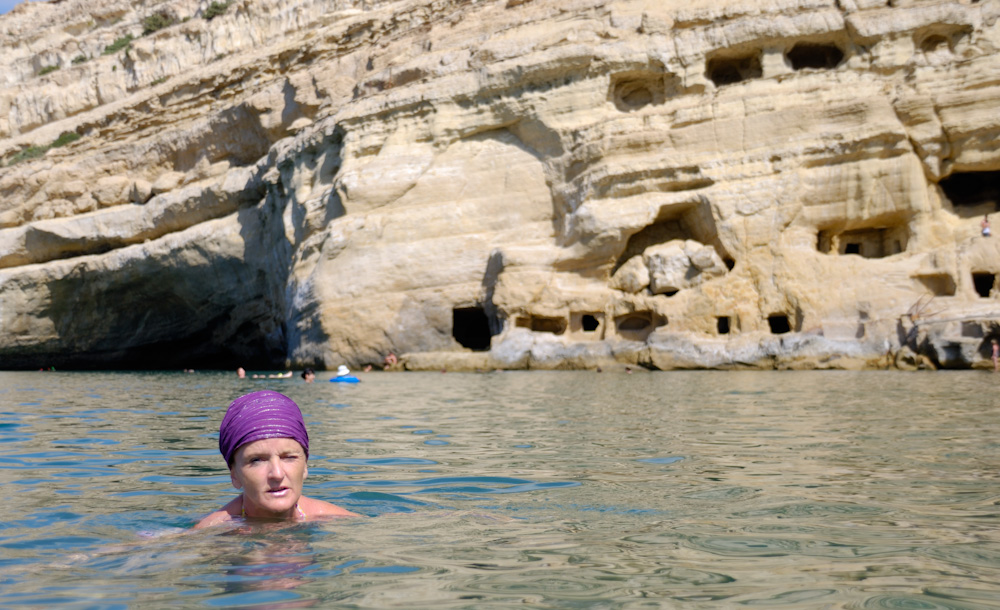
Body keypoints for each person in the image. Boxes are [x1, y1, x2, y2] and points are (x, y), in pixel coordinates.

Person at [194, 390, 360, 528]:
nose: (277, 474)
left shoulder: (342, 522)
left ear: (305, 466)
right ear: (234, 475)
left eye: (289, 457)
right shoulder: (210, 534)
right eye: (256, 460)